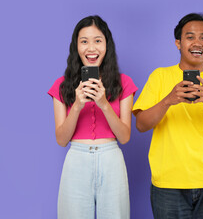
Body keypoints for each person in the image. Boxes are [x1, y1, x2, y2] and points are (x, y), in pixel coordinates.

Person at [133, 13, 203, 219]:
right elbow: (141, 125)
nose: (197, 42)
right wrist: (168, 100)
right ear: (178, 43)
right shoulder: (160, 76)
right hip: (168, 184)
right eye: (190, 37)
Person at [48, 15, 137, 219]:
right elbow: (61, 140)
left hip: (111, 158)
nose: (91, 48)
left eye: (98, 40)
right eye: (84, 41)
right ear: (76, 46)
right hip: (77, 159)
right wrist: (78, 105)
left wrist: (104, 103)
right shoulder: (62, 85)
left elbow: (124, 137)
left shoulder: (123, 82)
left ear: (107, 45)